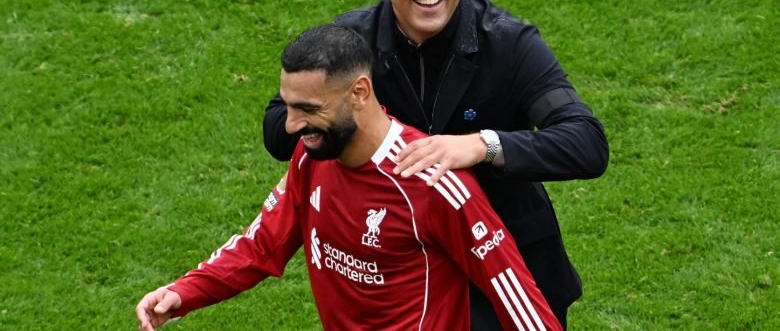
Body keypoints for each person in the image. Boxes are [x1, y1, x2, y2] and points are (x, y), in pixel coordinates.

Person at [263, 0, 609, 329]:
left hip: (511, 275)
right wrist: (342, 120)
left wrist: (482, 145)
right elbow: (280, 126)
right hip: (408, 278)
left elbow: (587, 142)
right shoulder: (352, 43)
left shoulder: (510, 45)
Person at [136, 25, 562, 331]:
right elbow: (263, 241)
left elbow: (512, 290)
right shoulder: (311, 157)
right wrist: (184, 292)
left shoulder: (428, 181)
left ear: (359, 92)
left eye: (308, 109)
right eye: (288, 106)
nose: (291, 126)